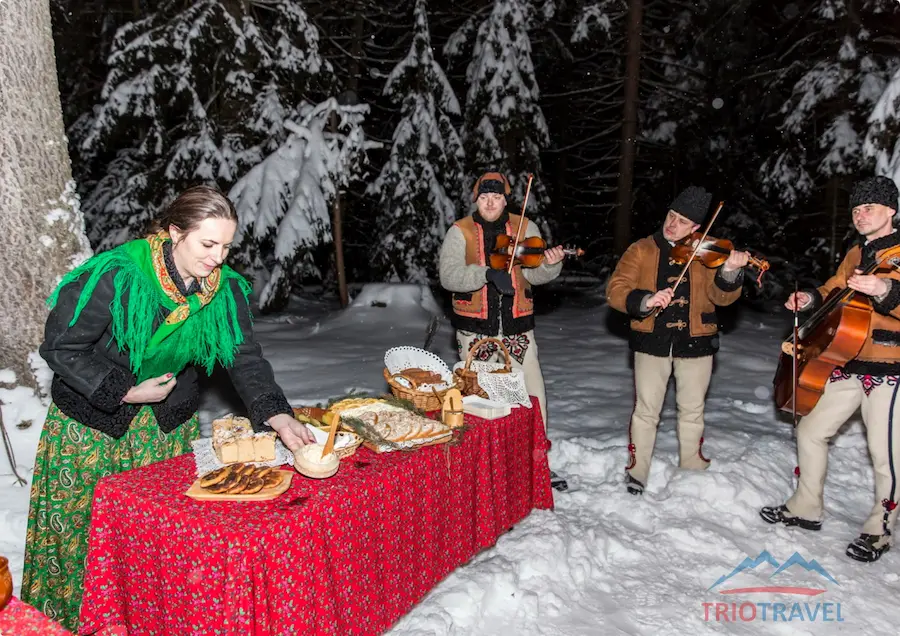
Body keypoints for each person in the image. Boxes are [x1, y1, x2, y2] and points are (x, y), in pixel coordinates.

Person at [20, 185, 315, 630]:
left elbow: (245, 357)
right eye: (208, 244)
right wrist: (123, 390)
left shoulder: (224, 291)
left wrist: (277, 413)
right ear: (175, 232)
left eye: (227, 246)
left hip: (164, 428)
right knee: (85, 535)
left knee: (153, 542)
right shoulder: (117, 275)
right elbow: (62, 347)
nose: (218, 257)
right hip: (93, 430)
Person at [761, 175, 900, 563]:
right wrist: (809, 297)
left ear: (891, 210)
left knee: (885, 453)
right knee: (810, 429)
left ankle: (879, 530)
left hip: (891, 368)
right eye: (856, 209)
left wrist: (885, 291)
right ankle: (807, 507)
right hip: (849, 362)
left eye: (869, 207)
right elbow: (835, 288)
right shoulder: (857, 253)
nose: (861, 214)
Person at [606, 186, 749, 495]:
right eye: (671, 216)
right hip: (652, 340)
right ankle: (638, 470)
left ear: (697, 228)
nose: (672, 224)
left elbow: (721, 298)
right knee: (646, 410)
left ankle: (692, 464)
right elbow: (616, 289)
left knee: (692, 409)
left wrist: (730, 272)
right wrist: (645, 300)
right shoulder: (642, 249)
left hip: (696, 341)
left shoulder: (709, 252)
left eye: (683, 221)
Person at [438, 172, 568, 490]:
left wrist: (550, 264)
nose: (491, 202)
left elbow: (536, 275)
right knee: (489, 403)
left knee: (532, 396)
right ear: (476, 199)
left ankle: (537, 464)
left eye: (496, 197)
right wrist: (485, 273)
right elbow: (448, 276)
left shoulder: (525, 227)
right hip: (476, 330)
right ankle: (495, 471)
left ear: (507, 200)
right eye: (485, 197)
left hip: (517, 329)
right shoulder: (460, 232)